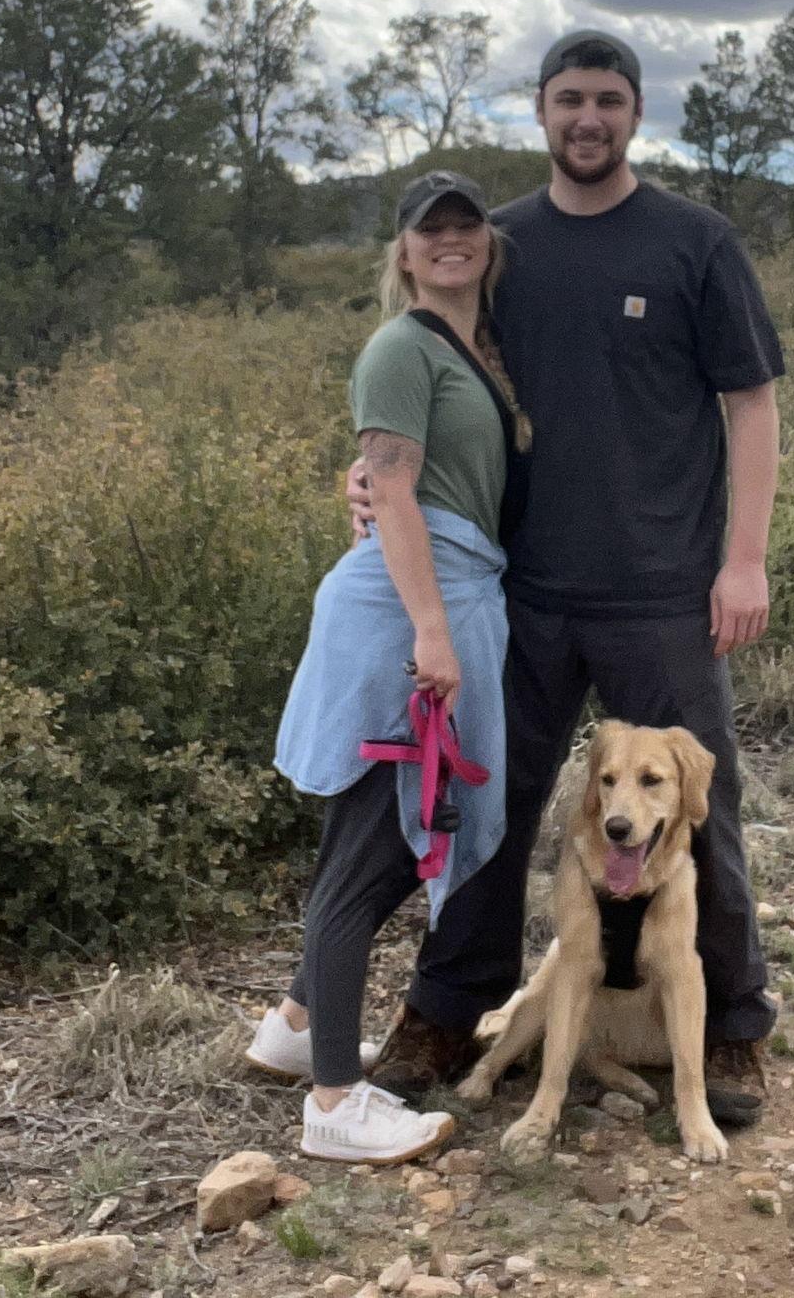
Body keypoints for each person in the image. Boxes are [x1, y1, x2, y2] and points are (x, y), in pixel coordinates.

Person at [353, 28, 785, 1131]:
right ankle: (448, 1009)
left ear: (633, 112)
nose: (585, 118)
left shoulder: (694, 242)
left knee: (701, 805)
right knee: (487, 810)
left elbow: (750, 404)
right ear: (537, 113)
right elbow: (420, 367)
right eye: (565, 100)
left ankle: (733, 1027)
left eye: (605, 99)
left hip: (663, 591)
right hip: (519, 590)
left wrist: (742, 559)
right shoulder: (495, 244)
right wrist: (368, 477)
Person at [250, 170, 530, 1164]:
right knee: (371, 860)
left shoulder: (474, 348)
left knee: (362, 843)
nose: (451, 240)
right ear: (403, 251)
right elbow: (397, 500)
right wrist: (431, 632)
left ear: (484, 244)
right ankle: (334, 1102)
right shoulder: (398, 348)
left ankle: (291, 1026)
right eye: (430, 230)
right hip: (409, 614)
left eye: (467, 225)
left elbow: (401, 484)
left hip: (441, 594)